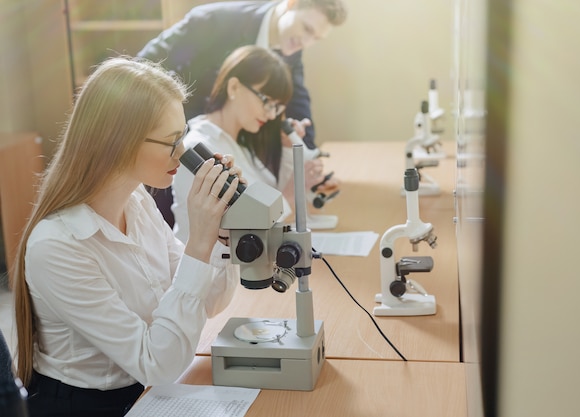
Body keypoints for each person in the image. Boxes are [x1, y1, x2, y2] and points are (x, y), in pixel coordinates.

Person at [12, 56, 244, 417]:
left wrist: (222, 235)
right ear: (116, 142)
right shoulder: (57, 246)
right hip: (87, 405)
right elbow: (157, 363)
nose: (182, 153)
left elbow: (208, 303)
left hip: (147, 388)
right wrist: (199, 242)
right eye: (171, 141)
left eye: (183, 136)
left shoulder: (138, 202)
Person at [172, 45, 336, 241]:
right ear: (234, 87)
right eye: (267, 101)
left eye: (277, 107)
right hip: (214, 267)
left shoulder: (239, 142)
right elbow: (253, 223)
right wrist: (291, 194)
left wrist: (286, 150)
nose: (271, 114)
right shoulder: (201, 150)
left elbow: (275, 195)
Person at [137, 0, 348, 150]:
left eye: (316, 39)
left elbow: (298, 100)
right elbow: (144, 64)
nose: (306, 42)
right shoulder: (215, 21)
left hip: (228, 147)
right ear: (291, 4)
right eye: (307, 29)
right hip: (174, 137)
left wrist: (308, 154)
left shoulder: (293, 45)